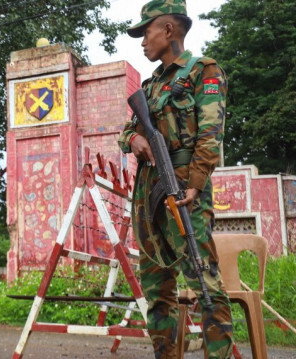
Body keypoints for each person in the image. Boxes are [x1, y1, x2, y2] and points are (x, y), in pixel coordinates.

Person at [117, 1, 233, 358]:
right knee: (157, 292)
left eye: (146, 31)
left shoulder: (204, 71)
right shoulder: (150, 87)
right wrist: (133, 140)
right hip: (150, 197)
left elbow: (211, 136)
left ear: (168, 30)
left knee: (204, 283)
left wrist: (195, 185)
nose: (141, 42)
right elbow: (127, 131)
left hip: (185, 193)